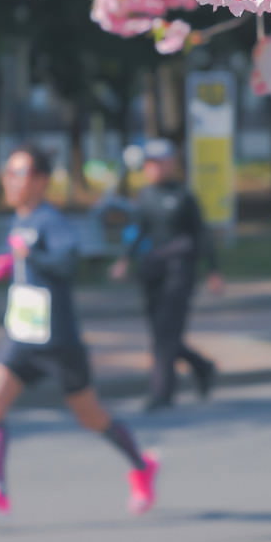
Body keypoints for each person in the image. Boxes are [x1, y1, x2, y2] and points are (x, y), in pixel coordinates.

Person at [0, 144, 160, 519]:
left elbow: (68, 264)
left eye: (18, 174)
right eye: (7, 173)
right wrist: (9, 265)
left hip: (57, 341)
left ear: (40, 182)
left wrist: (28, 257)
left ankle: (141, 464)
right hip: (21, 336)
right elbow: (30, 265)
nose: (9, 181)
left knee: (91, 416)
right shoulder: (21, 220)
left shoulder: (51, 221)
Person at [111, 138, 223, 411]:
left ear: (171, 165)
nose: (155, 169)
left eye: (160, 163)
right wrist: (124, 260)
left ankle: (161, 393)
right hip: (152, 271)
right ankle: (201, 366)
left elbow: (201, 234)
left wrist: (213, 271)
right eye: (150, 164)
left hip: (179, 271)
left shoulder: (184, 196)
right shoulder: (145, 196)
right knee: (162, 334)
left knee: (166, 333)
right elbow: (139, 231)